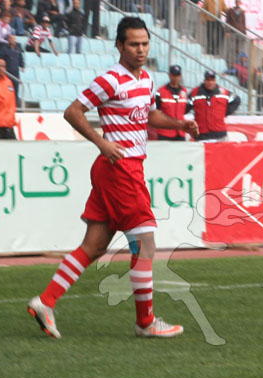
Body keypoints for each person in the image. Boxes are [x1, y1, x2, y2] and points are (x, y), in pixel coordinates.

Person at [26, 16, 199, 339]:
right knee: (146, 245)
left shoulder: (146, 80)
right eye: (133, 44)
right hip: (120, 169)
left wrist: (180, 125)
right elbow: (73, 111)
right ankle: (145, 323)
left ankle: (45, 301)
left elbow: (149, 115)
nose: (140, 49)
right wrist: (101, 142)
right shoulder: (110, 80)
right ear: (119, 46)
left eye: (145, 43)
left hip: (118, 170)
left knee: (94, 245)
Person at [187, 70, 239, 142]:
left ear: (215, 81)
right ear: (204, 80)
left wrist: (224, 113)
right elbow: (185, 107)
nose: (210, 82)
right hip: (201, 136)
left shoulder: (223, 92)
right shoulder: (194, 93)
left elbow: (236, 100)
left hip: (220, 135)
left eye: (212, 80)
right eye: (208, 80)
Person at [154, 64, 188, 141]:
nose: (176, 77)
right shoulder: (161, 91)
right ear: (169, 75)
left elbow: (185, 109)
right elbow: (155, 110)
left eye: (178, 75)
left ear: (180, 76)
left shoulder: (184, 91)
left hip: (180, 131)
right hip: (165, 133)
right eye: (174, 75)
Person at [0, 56, 16, 139]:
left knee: (14, 151)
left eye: (2, 66)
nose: (0, 68)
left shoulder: (8, 82)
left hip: (9, 127)